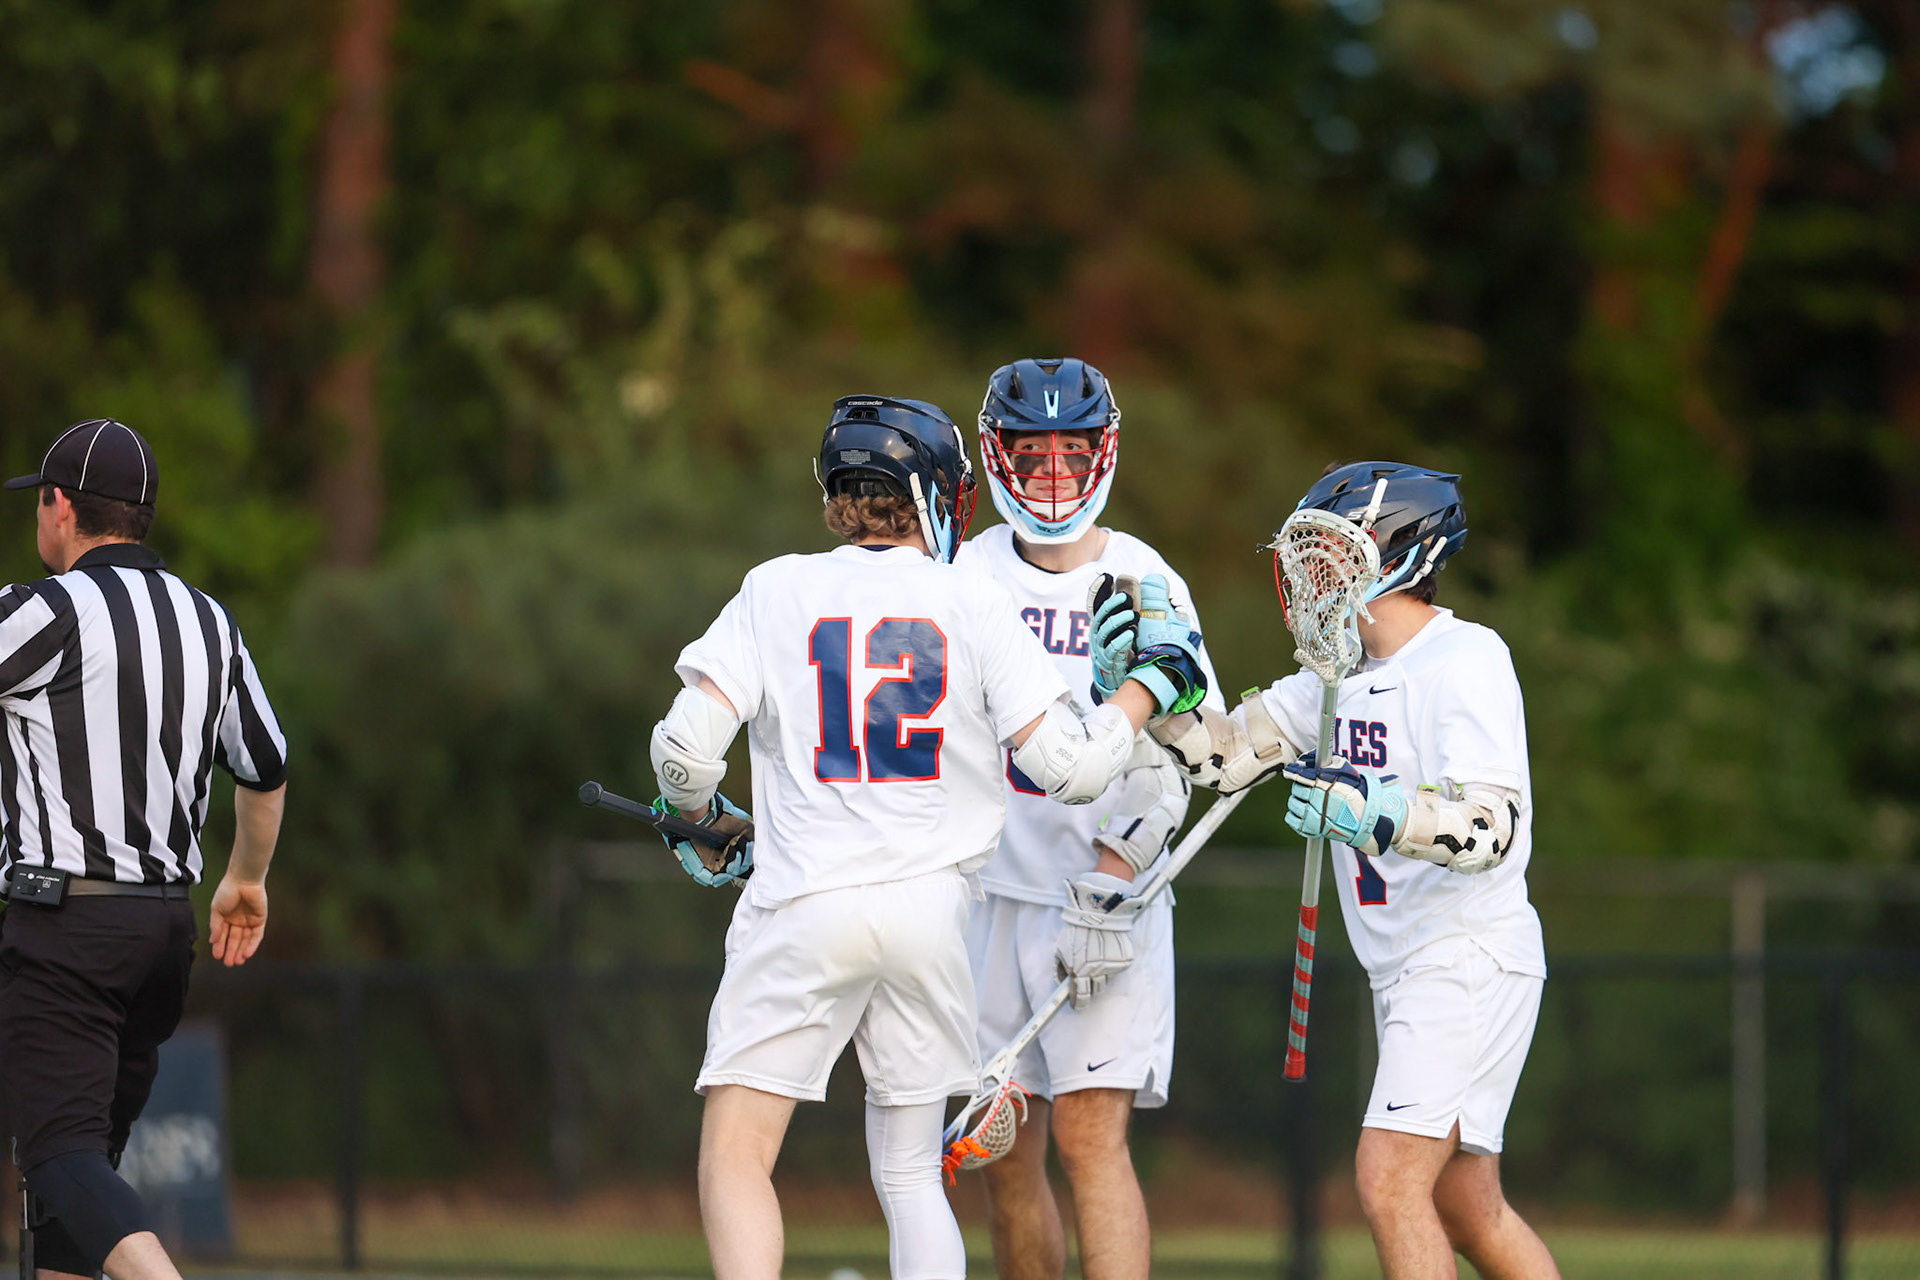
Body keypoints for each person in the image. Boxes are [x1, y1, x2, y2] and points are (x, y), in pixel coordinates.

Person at [644, 395, 1207, 1280]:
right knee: (910, 1173)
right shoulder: (973, 600)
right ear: (939, 493)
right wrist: (1144, 688)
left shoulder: (776, 587)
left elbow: (683, 749)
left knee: (739, 1153)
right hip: (935, 919)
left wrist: (704, 818)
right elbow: (1074, 769)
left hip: (801, 905)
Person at [1147, 462, 1560, 1280]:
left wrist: (1376, 813)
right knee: (1467, 1206)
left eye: (1331, 555)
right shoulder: (1330, 681)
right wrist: (1154, 694)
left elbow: (1493, 829)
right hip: (1407, 966)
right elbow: (1222, 759)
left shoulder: (1466, 658)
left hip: (1466, 954)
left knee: (1388, 1180)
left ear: (1400, 554)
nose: (1312, 577)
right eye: (1306, 559)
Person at [0, 419, 288, 1280]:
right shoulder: (210, 623)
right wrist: (245, 877)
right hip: (163, 937)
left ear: (58, 508)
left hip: (67, 928)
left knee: (58, 1158)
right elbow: (266, 764)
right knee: (74, 1197)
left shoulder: (45, 611)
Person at [962, 358, 1222, 1280]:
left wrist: (1117, 880)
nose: (1056, 476)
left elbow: (1193, 756)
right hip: (987, 897)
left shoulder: (1145, 576)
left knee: (1089, 1139)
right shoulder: (966, 571)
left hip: (1103, 899)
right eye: (1032, 456)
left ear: (1105, 453)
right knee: (1001, 1153)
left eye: (1075, 453)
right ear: (997, 458)